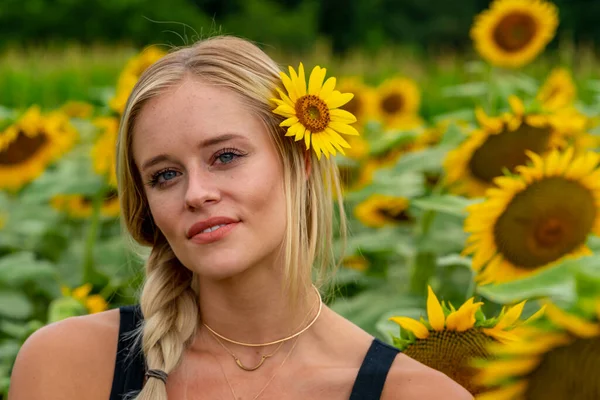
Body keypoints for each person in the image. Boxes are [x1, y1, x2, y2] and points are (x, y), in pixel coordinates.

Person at [9, 36, 472, 400]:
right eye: (165, 175)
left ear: (301, 158)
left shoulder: (417, 394)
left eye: (225, 156)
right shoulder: (67, 366)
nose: (197, 193)